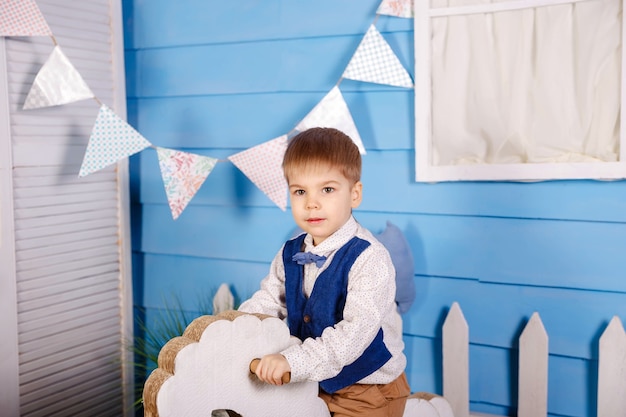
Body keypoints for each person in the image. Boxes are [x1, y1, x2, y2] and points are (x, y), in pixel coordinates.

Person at [238, 127, 410, 417]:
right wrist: (238, 330)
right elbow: (268, 303)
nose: (312, 202)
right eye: (300, 191)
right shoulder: (289, 253)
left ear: (354, 194)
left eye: (327, 189)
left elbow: (353, 336)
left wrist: (292, 362)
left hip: (366, 389)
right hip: (313, 380)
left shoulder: (370, 258)